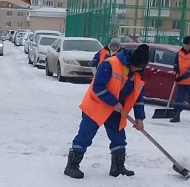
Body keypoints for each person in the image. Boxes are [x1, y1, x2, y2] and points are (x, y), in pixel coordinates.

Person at [64, 44, 150, 179]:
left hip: (116, 111)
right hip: (97, 106)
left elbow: (138, 98)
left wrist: (139, 118)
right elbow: (98, 87)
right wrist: (113, 102)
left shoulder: (137, 74)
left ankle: (118, 167)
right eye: (138, 66)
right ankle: (72, 166)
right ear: (132, 62)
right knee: (85, 136)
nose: (140, 69)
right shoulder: (110, 64)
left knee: (119, 139)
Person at [170, 36, 190, 123]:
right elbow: (176, 61)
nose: (187, 46)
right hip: (181, 80)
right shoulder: (180, 52)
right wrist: (176, 67)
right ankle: (177, 114)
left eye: (189, 44)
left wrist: (181, 77)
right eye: (185, 44)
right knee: (179, 98)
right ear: (183, 44)